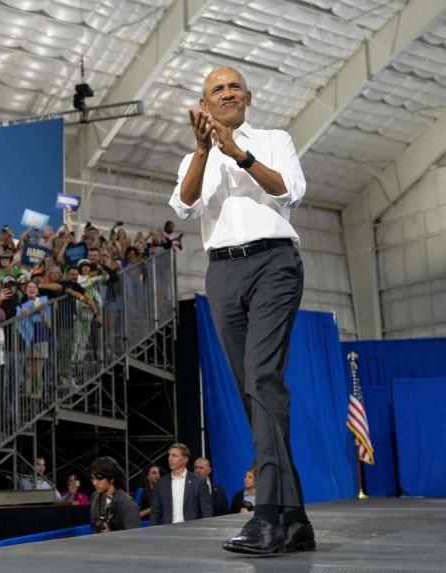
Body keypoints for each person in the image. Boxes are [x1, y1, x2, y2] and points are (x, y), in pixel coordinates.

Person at [169, 66, 313, 554]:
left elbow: (290, 191)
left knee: (262, 379)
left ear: (248, 97)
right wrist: (208, 150)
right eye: (217, 90)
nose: (227, 93)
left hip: (274, 263)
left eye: (234, 87)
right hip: (222, 273)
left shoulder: (274, 139)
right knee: (254, 393)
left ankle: (267, 515)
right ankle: (295, 520)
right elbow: (185, 205)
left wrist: (241, 154)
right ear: (204, 106)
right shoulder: (197, 155)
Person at [148, 443, 212, 525]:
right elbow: (155, 513)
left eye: (174, 455)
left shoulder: (198, 482)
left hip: (193, 532)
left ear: (185, 459)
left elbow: (207, 511)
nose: (170, 459)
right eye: (169, 455)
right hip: (168, 532)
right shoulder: (161, 483)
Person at [88, 456, 140, 533]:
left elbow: (135, 538)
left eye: (99, 478)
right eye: (93, 478)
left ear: (111, 479)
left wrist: (111, 535)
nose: (94, 483)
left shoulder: (127, 503)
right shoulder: (94, 496)